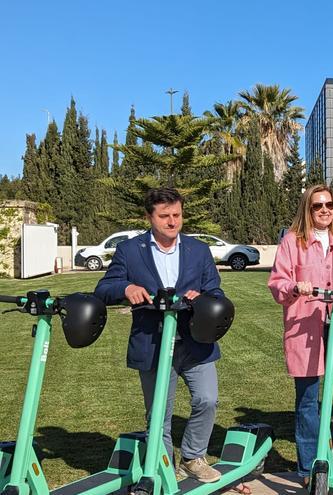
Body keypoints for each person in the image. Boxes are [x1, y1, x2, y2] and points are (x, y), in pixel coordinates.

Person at [94, 187, 231, 484]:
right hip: (153, 344)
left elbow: (216, 291)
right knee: (159, 414)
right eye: (164, 216)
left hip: (196, 341)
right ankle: (165, 471)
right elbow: (104, 289)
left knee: (207, 400)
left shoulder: (198, 250)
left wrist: (203, 298)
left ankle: (193, 458)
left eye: (177, 215)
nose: (172, 222)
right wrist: (125, 288)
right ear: (149, 217)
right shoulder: (130, 251)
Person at [268, 184, 333, 485]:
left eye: (329, 205)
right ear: (308, 209)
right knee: (308, 398)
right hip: (306, 326)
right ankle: (308, 465)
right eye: (318, 206)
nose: (325, 210)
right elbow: (278, 281)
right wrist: (293, 287)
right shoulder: (292, 242)